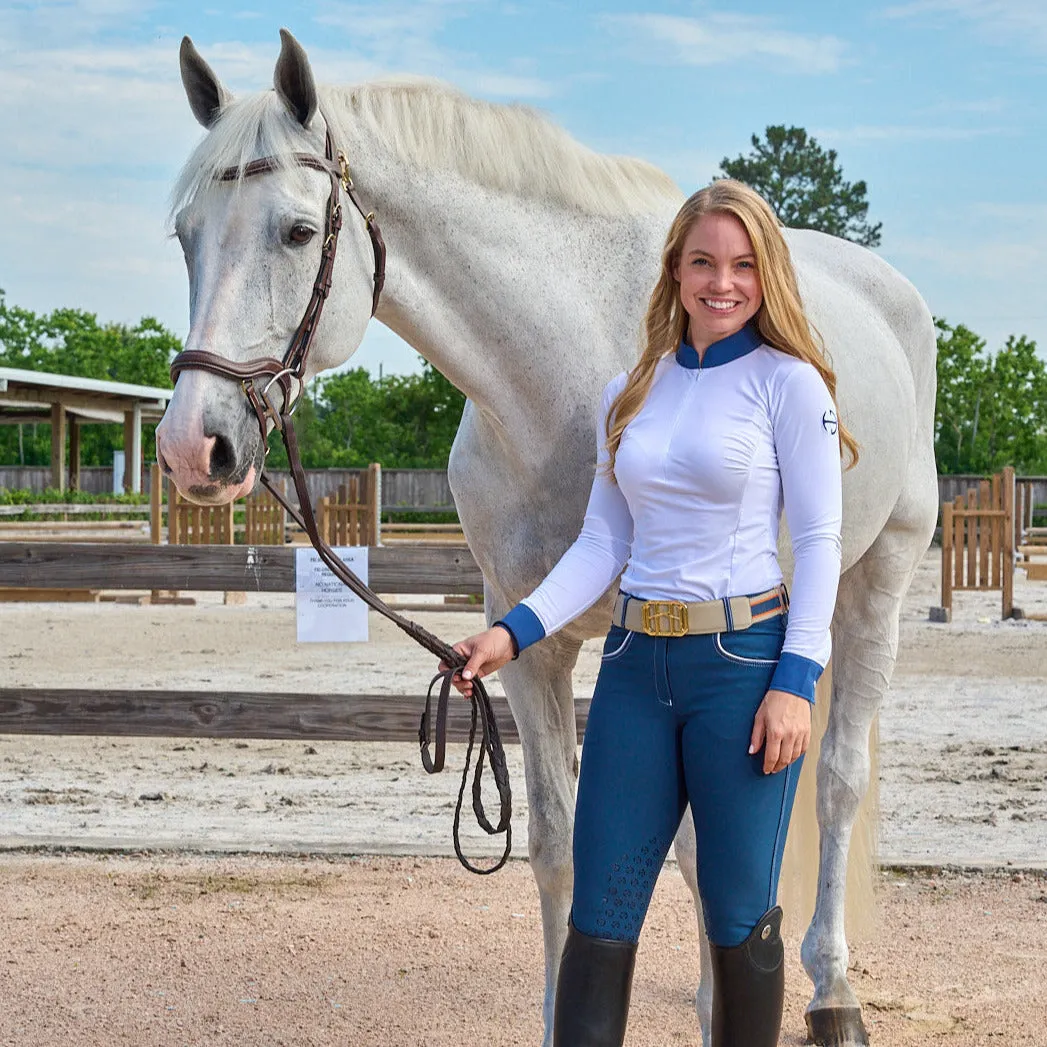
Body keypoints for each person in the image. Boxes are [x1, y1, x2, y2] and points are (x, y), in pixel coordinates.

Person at [441, 179, 858, 1047]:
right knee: (600, 912)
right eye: (702, 261)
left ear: (765, 275)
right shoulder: (628, 392)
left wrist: (795, 680)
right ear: (673, 269)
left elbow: (819, 540)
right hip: (633, 665)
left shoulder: (790, 386)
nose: (722, 282)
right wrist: (510, 631)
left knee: (739, 915)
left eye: (742, 265)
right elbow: (601, 544)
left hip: (743, 672)